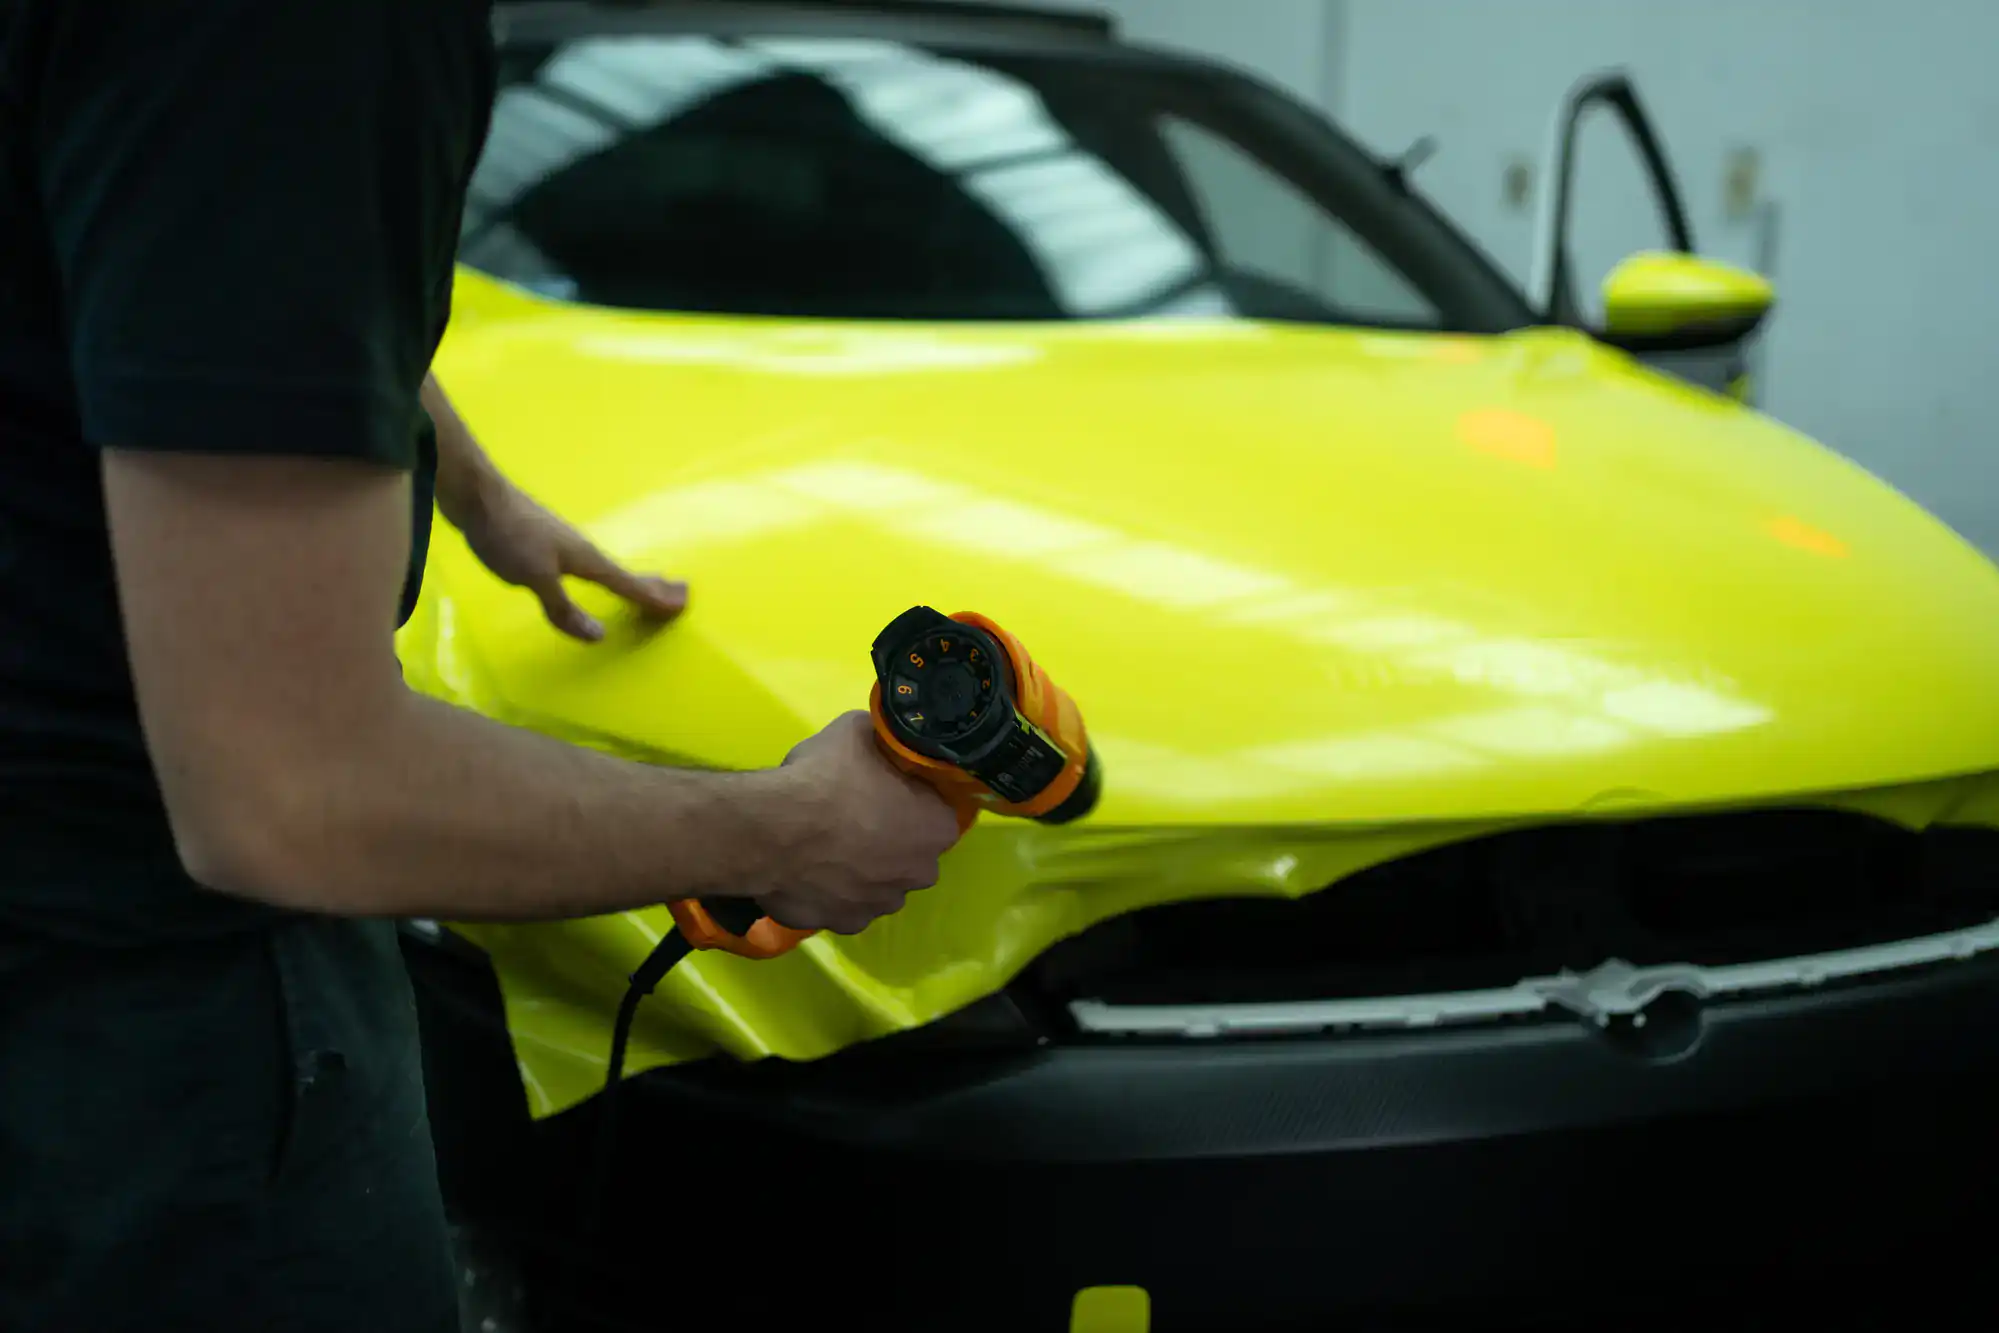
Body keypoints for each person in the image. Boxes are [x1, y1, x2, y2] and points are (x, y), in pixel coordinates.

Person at [0, 1, 962, 1329]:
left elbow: (170, 266)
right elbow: (296, 798)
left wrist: (473, 490)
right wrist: (788, 830)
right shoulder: (302, 38)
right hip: (140, 1018)